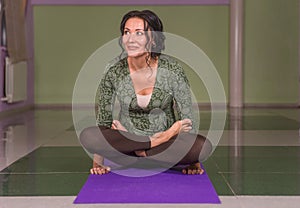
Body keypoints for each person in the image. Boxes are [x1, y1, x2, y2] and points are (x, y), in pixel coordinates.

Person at [80, 10, 212, 175]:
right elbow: (104, 120)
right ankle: (149, 150)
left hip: (164, 144)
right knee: (88, 136)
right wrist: (98, 161)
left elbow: (187, 117)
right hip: (127, 141)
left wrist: (193, 159)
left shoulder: (172, 69)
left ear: (153, 40)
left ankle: (142, 153)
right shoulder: (113, 69)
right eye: (126, 32)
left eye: (139, 33)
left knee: (202, 147)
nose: (131, 39)